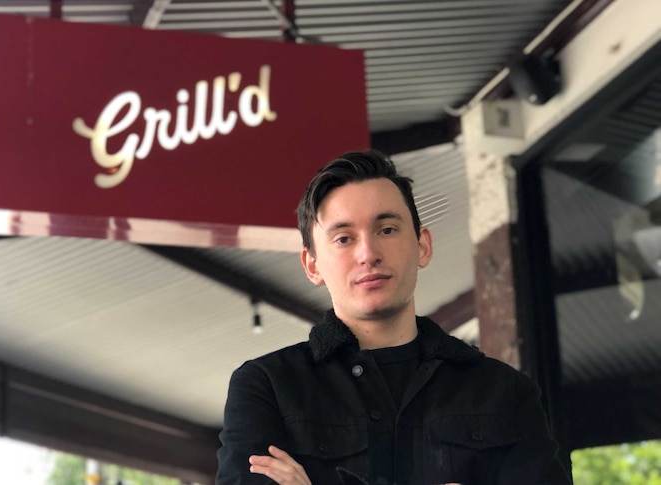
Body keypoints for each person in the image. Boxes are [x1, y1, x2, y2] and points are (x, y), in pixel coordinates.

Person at [215, 151, 571, 485]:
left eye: (386, 230)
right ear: (312, 264)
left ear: (423, 245)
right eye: (343, 238)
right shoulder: (267, 387)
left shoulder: (505, 393)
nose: (368, 253)